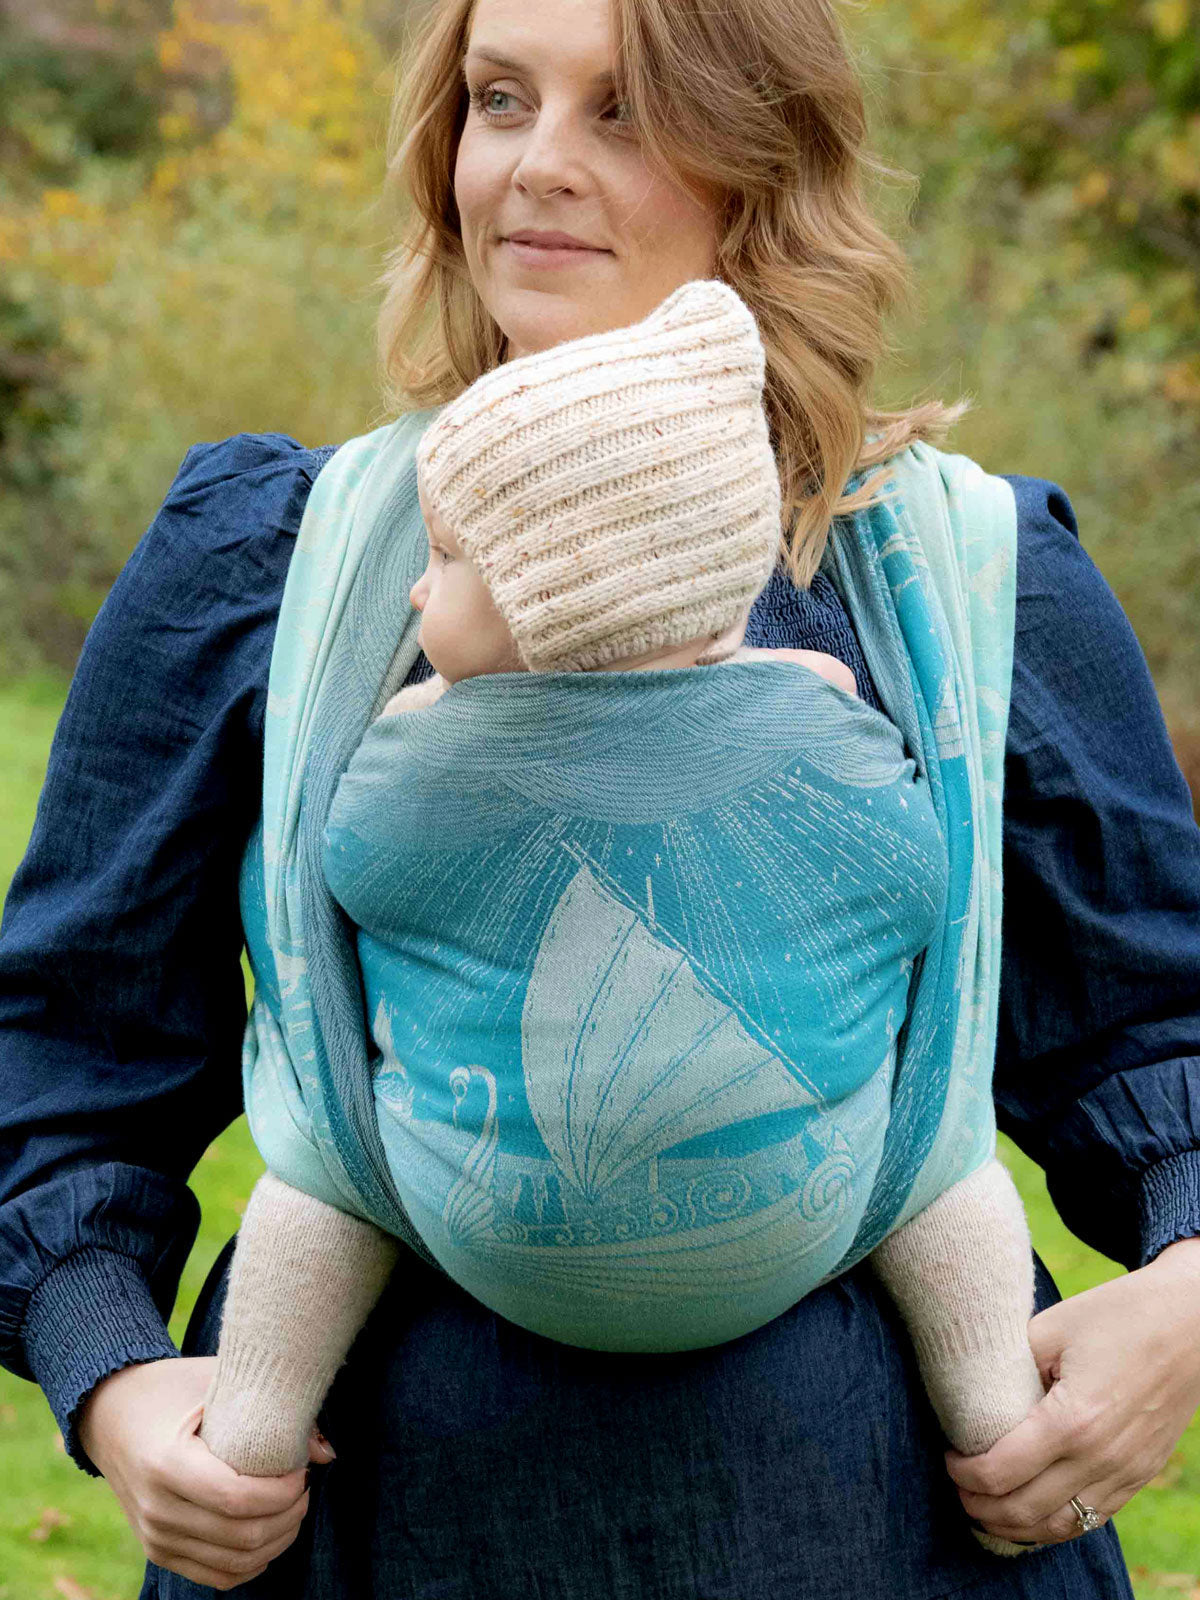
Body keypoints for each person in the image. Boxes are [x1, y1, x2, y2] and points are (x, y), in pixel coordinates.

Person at [2, 0, 1199, 1593]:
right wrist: (117, 1373)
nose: (537, 165)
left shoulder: (959, 582)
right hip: (377, 1539)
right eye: (502, 100)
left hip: (887, 1531)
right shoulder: (275, 565)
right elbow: (69, 1059)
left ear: (760, 168)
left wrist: (1188, 1296)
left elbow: (1153, 1028)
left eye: (625, 113)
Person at [195, 280, 1043, 1557]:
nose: (418, 598)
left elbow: (347, 869)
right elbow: (915, 881)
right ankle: (1000, 1419)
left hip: (465, 1212)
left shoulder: (418, 759)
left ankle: (252, 1437)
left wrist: (428, 718)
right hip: (815, 1209)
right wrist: (795, 695)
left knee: (322, 1181)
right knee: (944, 1170)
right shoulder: (830, 720)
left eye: (448, 560)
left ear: (566, 586)